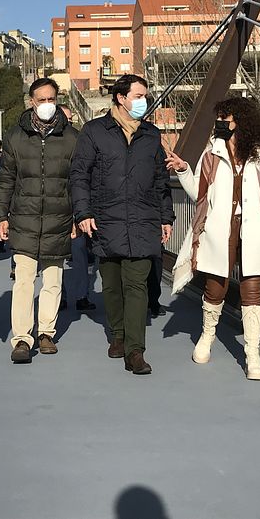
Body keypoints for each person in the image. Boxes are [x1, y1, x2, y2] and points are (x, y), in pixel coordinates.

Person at [166, 97, 260, 381]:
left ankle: (253, 355)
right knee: (215, 287)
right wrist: (183, 170)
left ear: (240, 121)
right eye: (219, 117)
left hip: (252, 229)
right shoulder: (213, 151)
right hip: (220, 228)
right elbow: (199, 193)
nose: (220, 122)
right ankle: (207, 337)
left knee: (252, 291)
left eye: (225, 118)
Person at [69, 74, 174, 375]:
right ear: (121, 98)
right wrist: (83, 213)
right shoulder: (94, 132)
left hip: (143, 219)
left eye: (145, 96)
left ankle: (135, 351)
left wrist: (166, 217)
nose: (144, 101)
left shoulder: (151, 135)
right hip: (105, 220)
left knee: (137, 285)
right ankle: (117, 334)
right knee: (112, 285)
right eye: (138, 96)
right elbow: (79, 175)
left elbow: (160, 180)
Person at [0, 77, 78, 363]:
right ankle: (21, 338)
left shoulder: (72, 137)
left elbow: (78, 181)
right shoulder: (15, 137)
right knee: (24, 281)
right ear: (31, 102)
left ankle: (46, 333)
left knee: (53, 280)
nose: (47, 104)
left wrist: (78, 216)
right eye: (41, 100)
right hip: (24, 219)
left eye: (51, 99)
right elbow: (5, 179)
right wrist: (1, 216)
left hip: (59, 218)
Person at [57, 105, 95, 312]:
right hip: (53, 211)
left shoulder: (80, 142)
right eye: (66, 119)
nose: (69, 123)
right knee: (55, 260)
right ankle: (59, 296)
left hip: (74, 209)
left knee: (79, 253)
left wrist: (79, 214)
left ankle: (82, 296)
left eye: (71, 119)